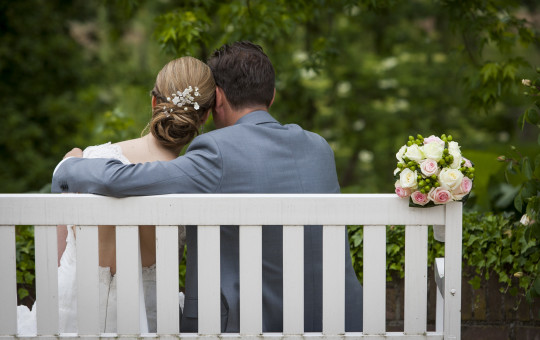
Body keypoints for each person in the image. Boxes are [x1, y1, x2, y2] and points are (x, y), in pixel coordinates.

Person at [52, 41, 363, 332]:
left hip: (245, 326)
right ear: (272, 96)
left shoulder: (216, 150)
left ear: (219, 99)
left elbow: (123, 180)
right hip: (337, 319)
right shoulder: (319, 147)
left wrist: (70, 165)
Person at [18, 56, 215, 334]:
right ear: (205, 115)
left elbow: (56, 258)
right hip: (148, 324)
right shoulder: (192, 182)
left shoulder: (87, 161)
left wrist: (71, 157)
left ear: (154, 103)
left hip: (65, 319)